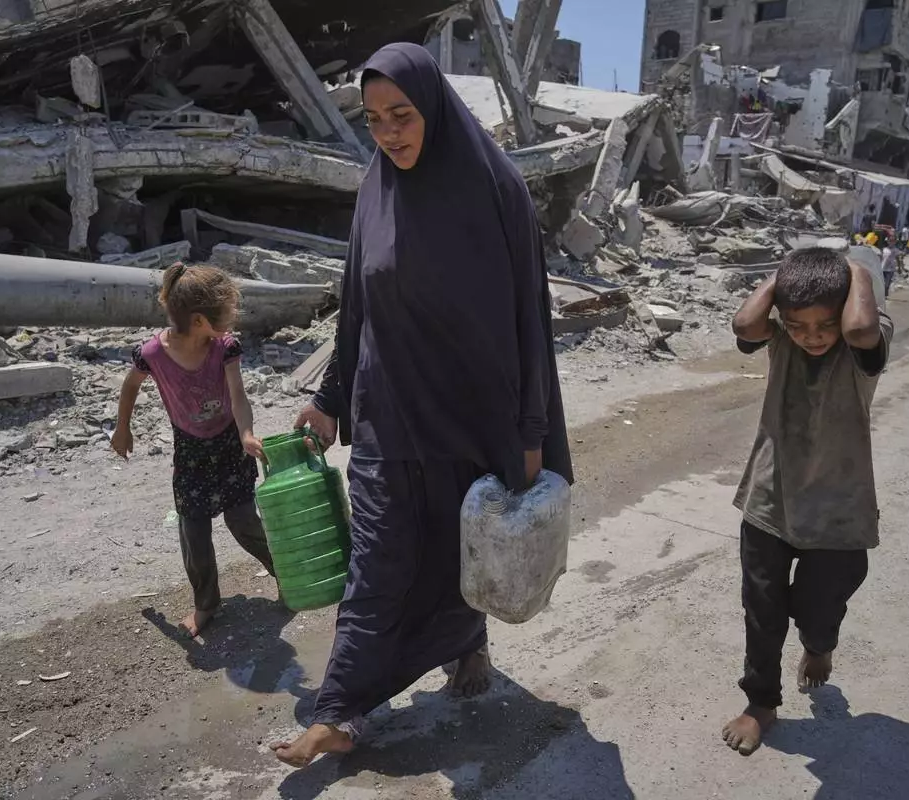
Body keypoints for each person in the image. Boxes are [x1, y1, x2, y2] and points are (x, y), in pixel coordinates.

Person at [269, 43, 573, 768]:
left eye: (402, 116)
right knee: (376, 563)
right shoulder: (375, 190)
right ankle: (338, 711)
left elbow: (529, 320)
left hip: (473, 415)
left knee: (452, 548)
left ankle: (467, 643)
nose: (390, 134)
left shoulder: (494, 189)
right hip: (388, 412)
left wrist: (529, 432)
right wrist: (330, 397)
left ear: (432, 106)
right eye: (374, 121)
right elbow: (359, 311)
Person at [722, 248, 893, 757]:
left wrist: (856, 270)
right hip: (769, 499)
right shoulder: (781, 340)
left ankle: (819, 644)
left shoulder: (865, 344)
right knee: (762, 609)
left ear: (846, 308)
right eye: (798, 325)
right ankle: (761, 704)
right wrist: (780, 279)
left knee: (818, 607)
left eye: (824, 324)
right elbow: (745, 322)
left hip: (839, 511)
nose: (811, 336)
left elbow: (860, 332)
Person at [111, 263, 274, 638]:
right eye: (228, 313)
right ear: (200, 320)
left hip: (229, 443)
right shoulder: (152, 353)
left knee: (243, 520)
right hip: (190, 450)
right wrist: (122, 428)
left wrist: (247, 434)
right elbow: (130, 385)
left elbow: (238, 396)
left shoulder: (225, 347)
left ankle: (285, 572)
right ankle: (206, 604)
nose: (234, 320)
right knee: (194, 530)